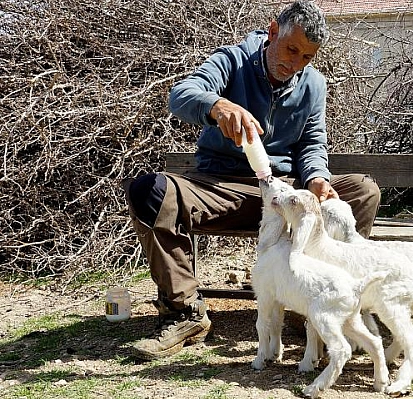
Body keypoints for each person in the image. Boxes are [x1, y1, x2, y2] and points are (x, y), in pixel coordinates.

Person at [124, 0, 380, 360]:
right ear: (273, 31)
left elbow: (312, 145)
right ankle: (184, 313)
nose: (294, 64)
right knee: (150, 191)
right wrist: (217, 106)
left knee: (362, 191)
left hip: (284, 190)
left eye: (306, 57)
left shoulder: (313, 86)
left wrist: (319, 179)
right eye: (291, 49)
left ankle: (311, 302)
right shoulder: (232, 61)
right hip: (220, 187)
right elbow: (181, 96)